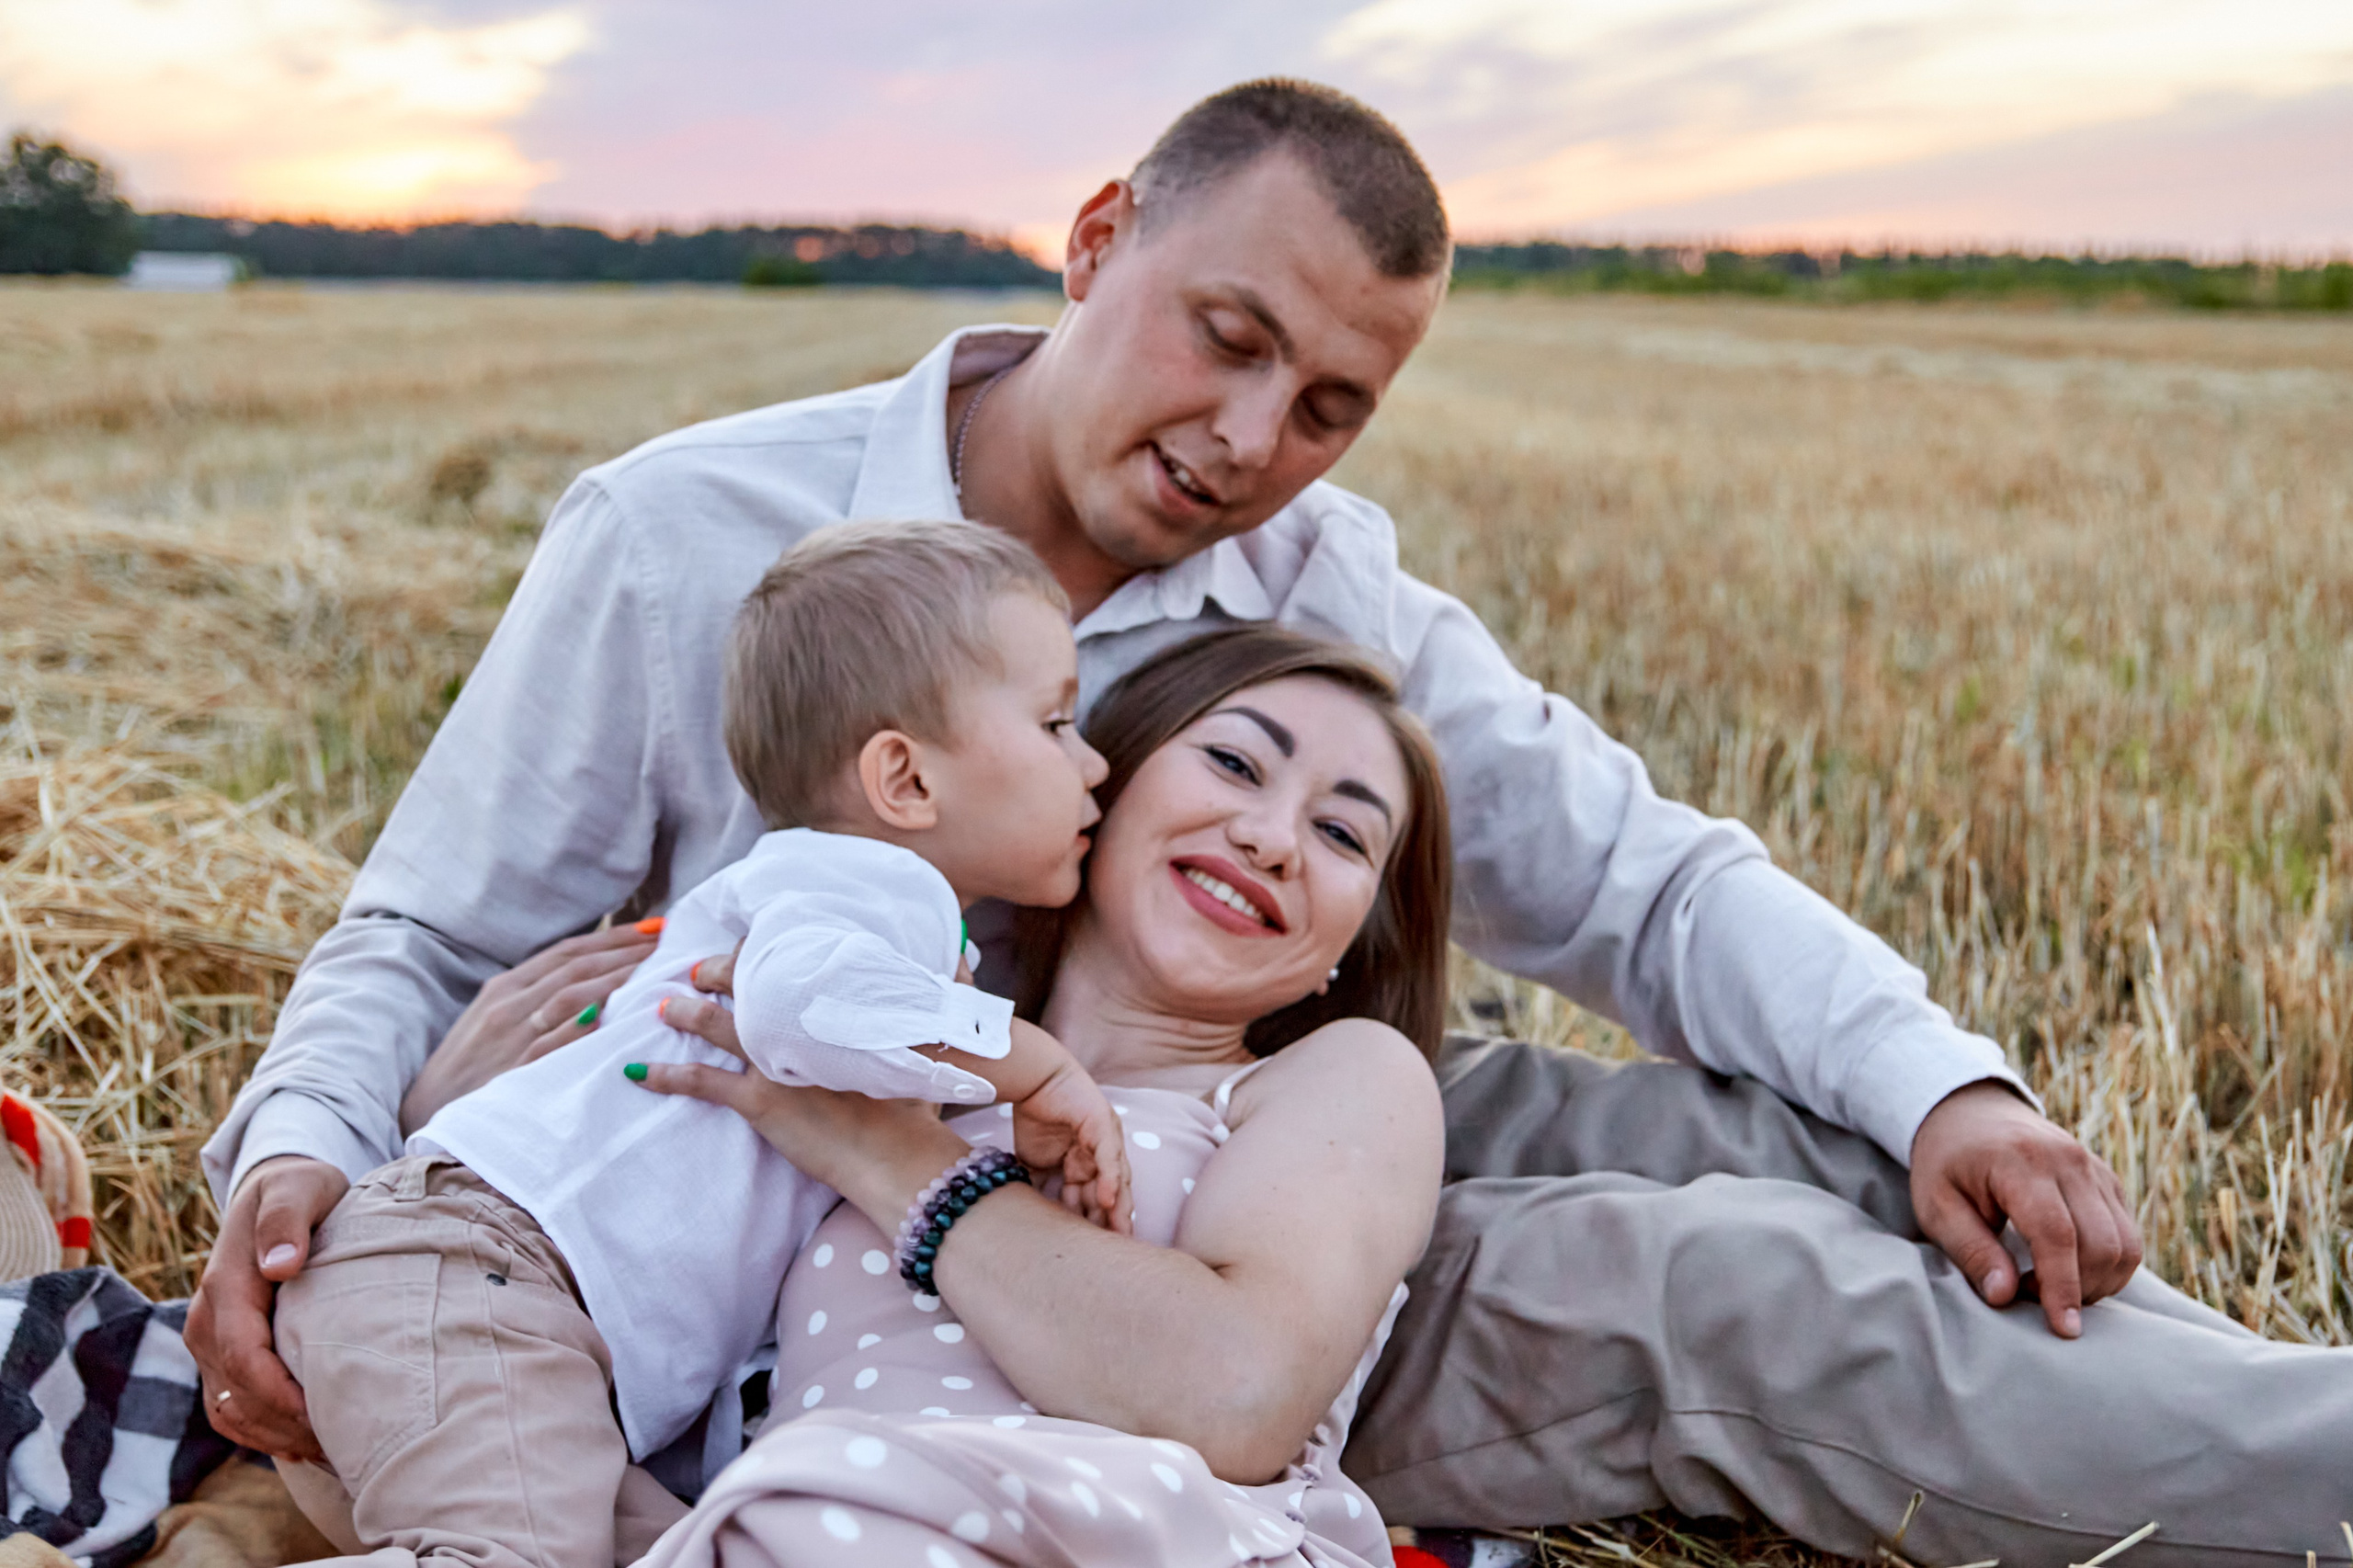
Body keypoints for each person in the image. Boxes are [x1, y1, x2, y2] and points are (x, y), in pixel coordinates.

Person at [202, 77, 2341, 1563]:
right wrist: (296, 1170)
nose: (1249, 443)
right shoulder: (697, 535)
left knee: (1793, 1140)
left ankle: (2270, 1422)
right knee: (1723, 1295)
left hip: (1233, 1081)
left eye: (1327, 403)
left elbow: (1632, 870)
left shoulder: (1323, 581)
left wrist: (1947, 1085)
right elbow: (423, 931)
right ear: (1098, 237)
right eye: (1224, 342)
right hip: (979, 1277)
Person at [407, 624, 1461, 1568]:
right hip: (795, 1518)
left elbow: (1234, 1393)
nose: (1273, 837)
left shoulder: (1345, 1074)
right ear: (1103, 785)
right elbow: (628, 1367)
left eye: (1342, 835)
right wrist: (446, 1151)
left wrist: (888, 1156)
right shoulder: (872, 1037)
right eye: (1234, 763)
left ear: (1350, 940)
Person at [268, 522, 1132, 1568]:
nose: (1095, 763)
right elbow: (793, 1005)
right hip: (485, 1271)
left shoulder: (818, 895)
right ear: (903, 780)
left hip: (502, 1319)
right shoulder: (867, 888)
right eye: (1056, 722)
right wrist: (1028, 1059)